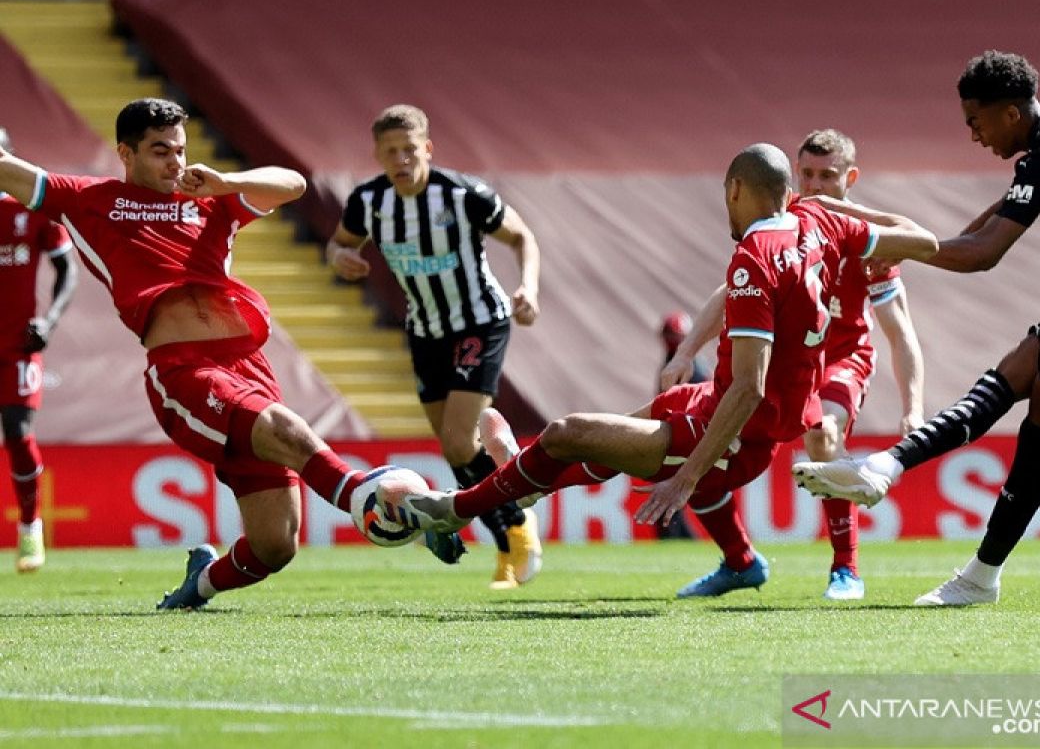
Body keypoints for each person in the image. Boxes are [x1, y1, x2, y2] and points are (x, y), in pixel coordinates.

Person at [393, 144, 938, 600]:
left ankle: (457, 508)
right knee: (604, 441)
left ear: (733, 191)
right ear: (791, 191)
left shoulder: (756, 255)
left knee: (569, 433)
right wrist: (844, 212)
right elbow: (926, 242)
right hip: (718, 400)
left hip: (735, 431)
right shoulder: (821, 223)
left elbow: (748, 388)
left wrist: (687, 478)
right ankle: (523, 485)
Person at [0, 98, 462, 610]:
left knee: (275, 544)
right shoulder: (87, 199)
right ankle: (369, 500)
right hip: (183, 372)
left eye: (179, 150)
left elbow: (294, 184)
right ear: (124, 154)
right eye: (159, 152)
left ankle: (197, 585)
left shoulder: (211, 199)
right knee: (284, 429)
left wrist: (227, 183)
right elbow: (13, 173)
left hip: (247, 367)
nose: (175, 162)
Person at [793, 51, 1040, 606]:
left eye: (975, 121)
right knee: (1015, 370)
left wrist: (889, 244)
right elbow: (1000, 215)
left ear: (1009, 113)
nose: (974, 136)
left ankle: (979, 575)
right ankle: (887, 466)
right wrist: (926, 238)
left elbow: (982, 256)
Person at [326, 104, 543, 590]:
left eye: (409, 149)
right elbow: (337, 243)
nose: (402, 159)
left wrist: (527, 287)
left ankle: (517, 531)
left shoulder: (463, 195)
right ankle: (508, 529)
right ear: (379, 156)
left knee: (457, 437)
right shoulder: (369, 202)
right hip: (424, 330)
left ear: (427, 148)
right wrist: (341, 256)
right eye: (391, 152)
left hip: (479, 322)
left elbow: (521, 236)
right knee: (455, 449)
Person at [794, 129, 925, 601]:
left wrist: (913, 407)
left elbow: (900, 330)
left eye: (828, 177)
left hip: (842, 359)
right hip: (784, 360)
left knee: (824, 436)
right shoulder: (780, 221)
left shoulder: (870, 244)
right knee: (719, 444)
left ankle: (845, 570)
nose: (815, 186)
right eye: (806, 174)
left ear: (850, 178)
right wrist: (687, 352)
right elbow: (733, 291)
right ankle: (739, 560)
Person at [0, 127, 78, 572]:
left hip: (17, 345)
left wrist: (48, 321)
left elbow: (67, 270)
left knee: (16, 428)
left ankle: (30, 529)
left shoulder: (32, 210)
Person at [653, 311, 707, 539]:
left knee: (673, 495)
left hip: (688, 441)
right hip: (680, 439)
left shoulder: (690, 369)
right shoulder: (678, 364)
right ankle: (680, 537)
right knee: (674, 498)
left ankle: (677, 537)